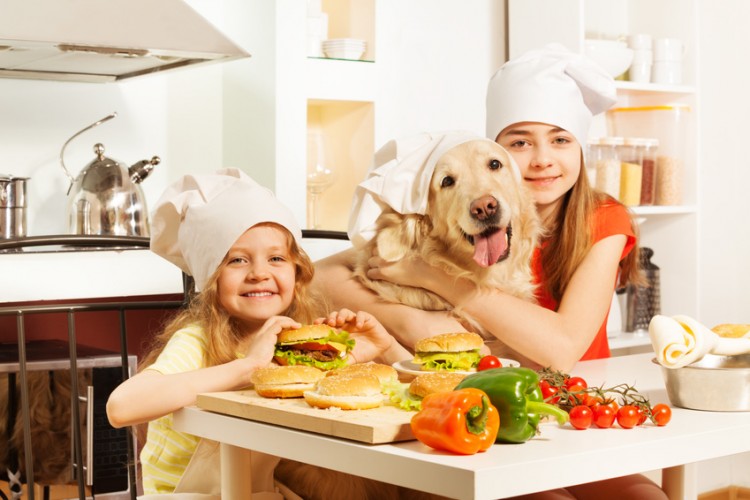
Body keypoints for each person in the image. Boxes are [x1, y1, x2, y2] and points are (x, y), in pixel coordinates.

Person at [314, 45, 667, 499]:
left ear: (581, 148)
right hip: (487, 412)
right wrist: (416, 321)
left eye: (560, 140)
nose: (541, 159)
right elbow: (319, 275)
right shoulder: (451, 223)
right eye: (519, 143)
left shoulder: (601, 217)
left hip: (575, 414)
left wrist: (436, 279)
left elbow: (560, 348)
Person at [105, 168, 411, 498]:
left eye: (276, 258)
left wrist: (386, 346)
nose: (259, 273)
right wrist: (246, 367)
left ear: (297, 272)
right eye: (237, 260)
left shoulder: (303, 342)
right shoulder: (197, 340)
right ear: (211, 279)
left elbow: (425, 397)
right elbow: (121, 407)